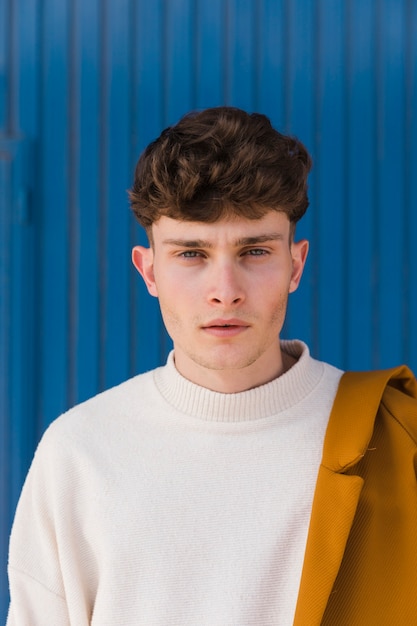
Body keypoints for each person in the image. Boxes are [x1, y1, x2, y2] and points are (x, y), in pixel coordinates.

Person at [7, 107, 417, 625]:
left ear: (296, 263)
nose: (225, 292)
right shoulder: (80, 452)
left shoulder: (398, 436)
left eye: (255, 251)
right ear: (148, 269)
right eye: (191, 255)